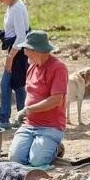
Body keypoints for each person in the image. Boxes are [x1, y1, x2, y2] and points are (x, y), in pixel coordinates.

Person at [9, 31, 68, 167]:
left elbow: (55, 100)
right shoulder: (32, 67)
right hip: (29, 124)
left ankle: (56, 149)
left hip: (50, 126)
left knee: (37, 162)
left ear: (36, 51)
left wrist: (28, 109)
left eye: (26, 49)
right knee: (15, 160)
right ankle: (39, 147)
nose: (24, 53)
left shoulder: (58, 68)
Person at [0, 0, 30, 129]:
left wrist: (10, 57)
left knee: (6, 84)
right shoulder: (11, 6)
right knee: (18, 85)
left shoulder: (17, 8)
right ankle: (24, 117)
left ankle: (4, 118)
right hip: (14, 49)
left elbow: (21, 36)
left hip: (19, 52)